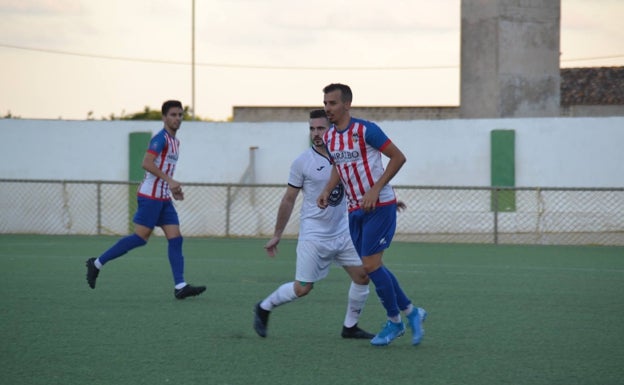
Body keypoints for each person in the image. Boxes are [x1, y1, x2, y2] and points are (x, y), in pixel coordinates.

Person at [317, 83, 427, 347]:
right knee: (375, 267)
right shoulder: (331, 137)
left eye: (332, 103)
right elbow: (338, 168)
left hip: (380, 205)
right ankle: (412, 312)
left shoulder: (366, 130)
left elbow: (398, 157)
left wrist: (376, 190)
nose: (327, 108)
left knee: (369, 266)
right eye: (325, 104)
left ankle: (395, 322)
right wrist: (327, 189)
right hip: (354, 210)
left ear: (347, 104)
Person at [253, 109, 375, 340]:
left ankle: (350, 327)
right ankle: (264, 307)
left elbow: (362, 184)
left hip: (343, 231)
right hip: (314, 235)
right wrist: (277, 234)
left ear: (331, 128)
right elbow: (289, 198)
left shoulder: (346, 155)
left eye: (321, 128)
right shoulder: (302, 162)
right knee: (302, 289)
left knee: (362, 276)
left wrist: (384, 200)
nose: (316, 133)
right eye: (312, 129)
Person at [85, 100, 206, 300]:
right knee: (140, 238)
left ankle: (180, 286)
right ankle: (96, 263)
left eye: (180, 115)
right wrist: (170, 180)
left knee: (176, 238)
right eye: (173, 115)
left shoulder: (176, 142)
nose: (177, 118)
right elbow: (146, 163)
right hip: (150, 197)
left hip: (163, 197)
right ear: (164, 117)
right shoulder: (160, 139)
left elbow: (165, 169)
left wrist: (172, 188)